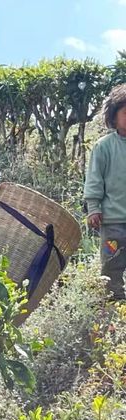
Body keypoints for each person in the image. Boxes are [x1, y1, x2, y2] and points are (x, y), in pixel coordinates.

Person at [84, 83, 126, 301]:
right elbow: (94, 180)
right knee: (112, 264)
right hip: (113, 222)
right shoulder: (104, 146)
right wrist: (93, 208)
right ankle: (114, 300)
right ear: (114, 116)